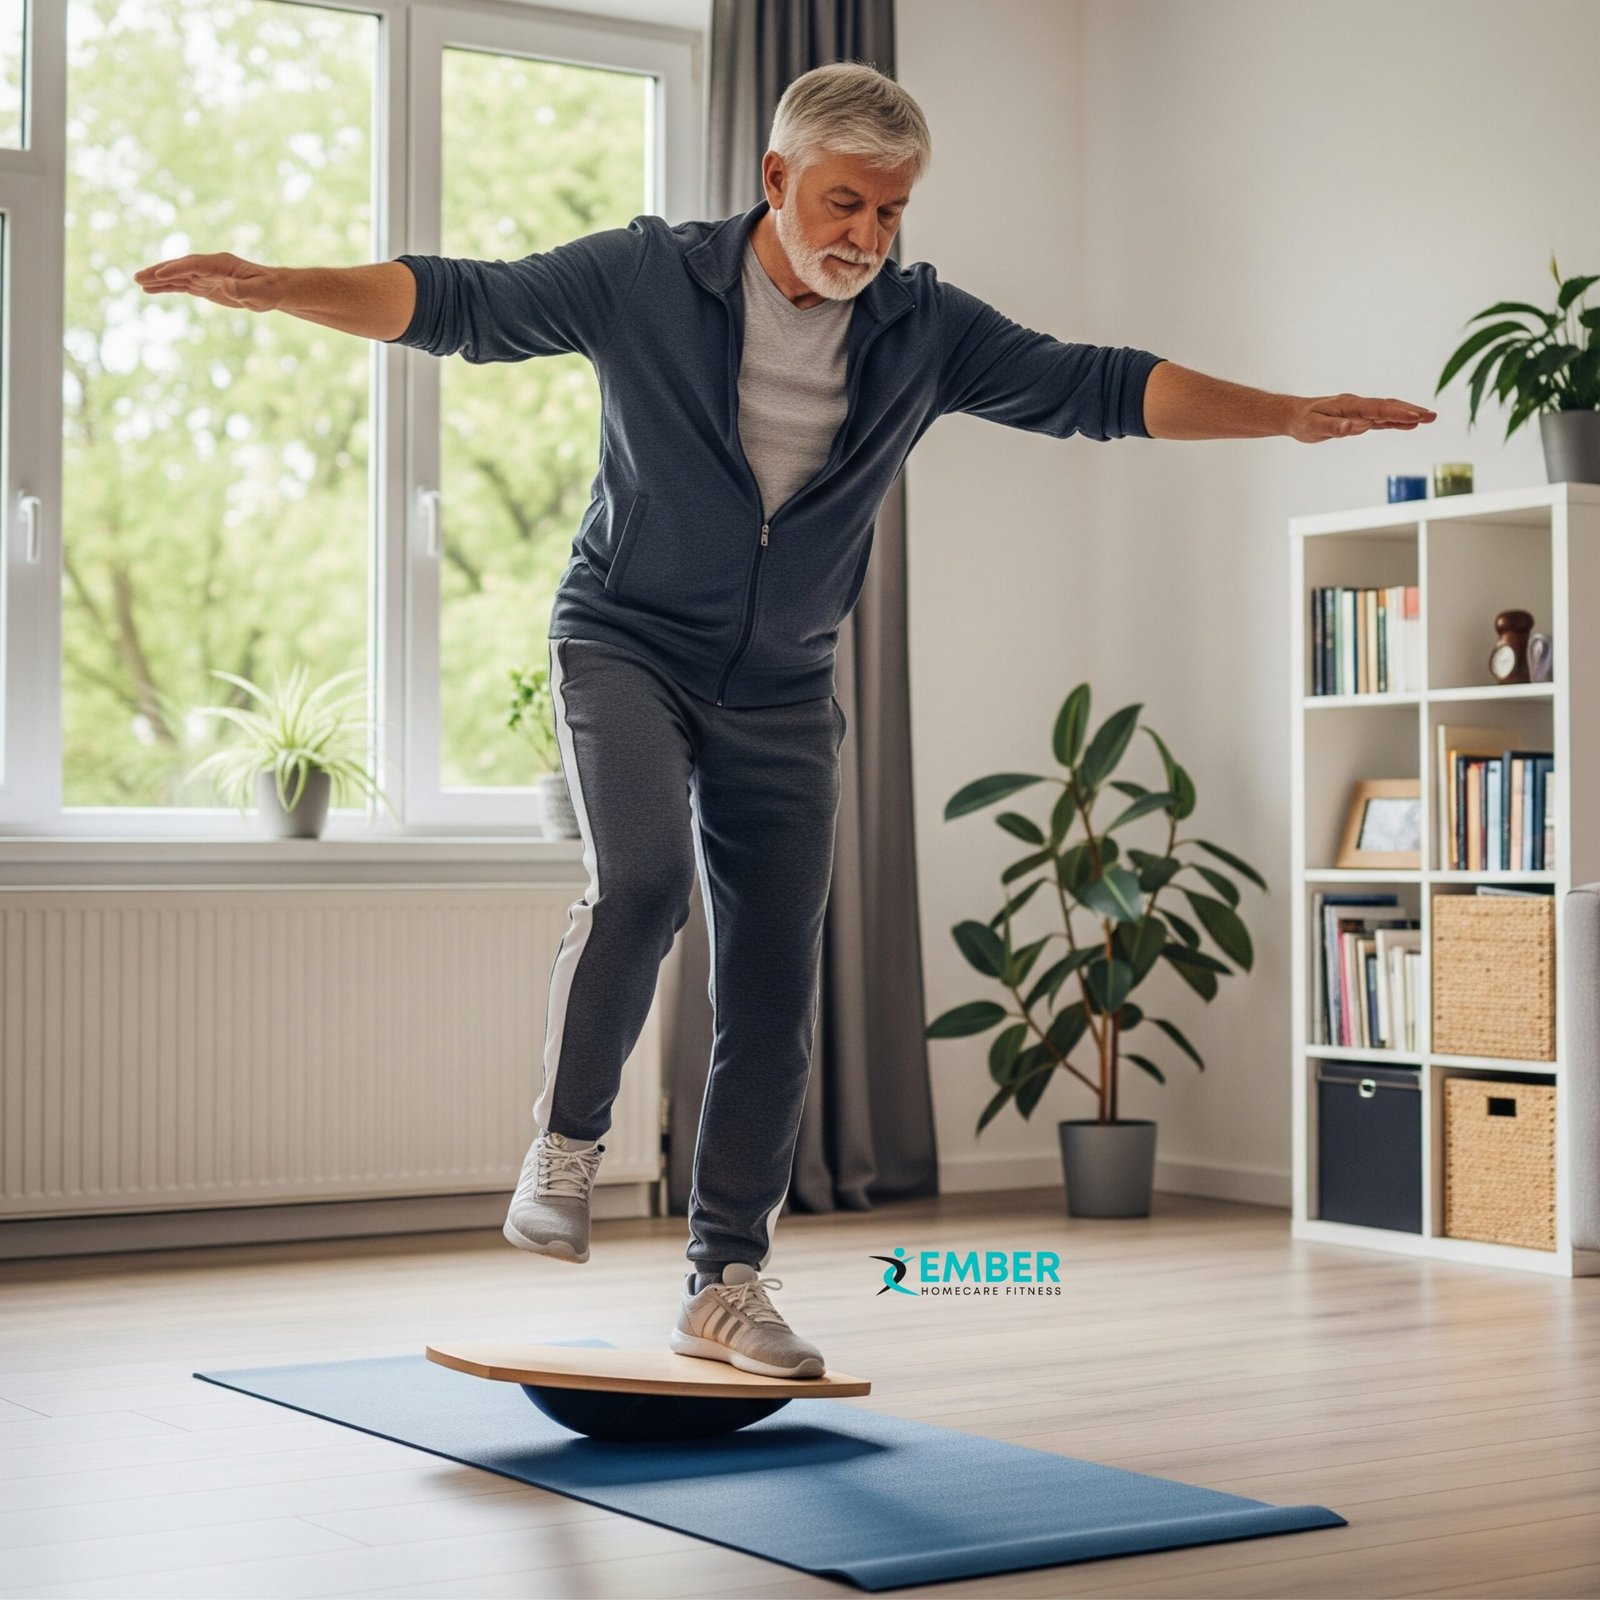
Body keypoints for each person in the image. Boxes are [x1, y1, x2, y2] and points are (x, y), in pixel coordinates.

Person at [134, 61, 1436, 1382]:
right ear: (775, 181)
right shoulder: (651, 277)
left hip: (784, 685)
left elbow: (1091, 385)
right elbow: (467, 301)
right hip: (624, 643)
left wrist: (1282, 415)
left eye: (890, 212)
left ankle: (727, 1281)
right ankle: (568, 1146)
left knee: (772, 980)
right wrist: (286, 286)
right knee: (640, 885)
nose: (865, 237)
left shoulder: (924, 329)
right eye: (844, 202)